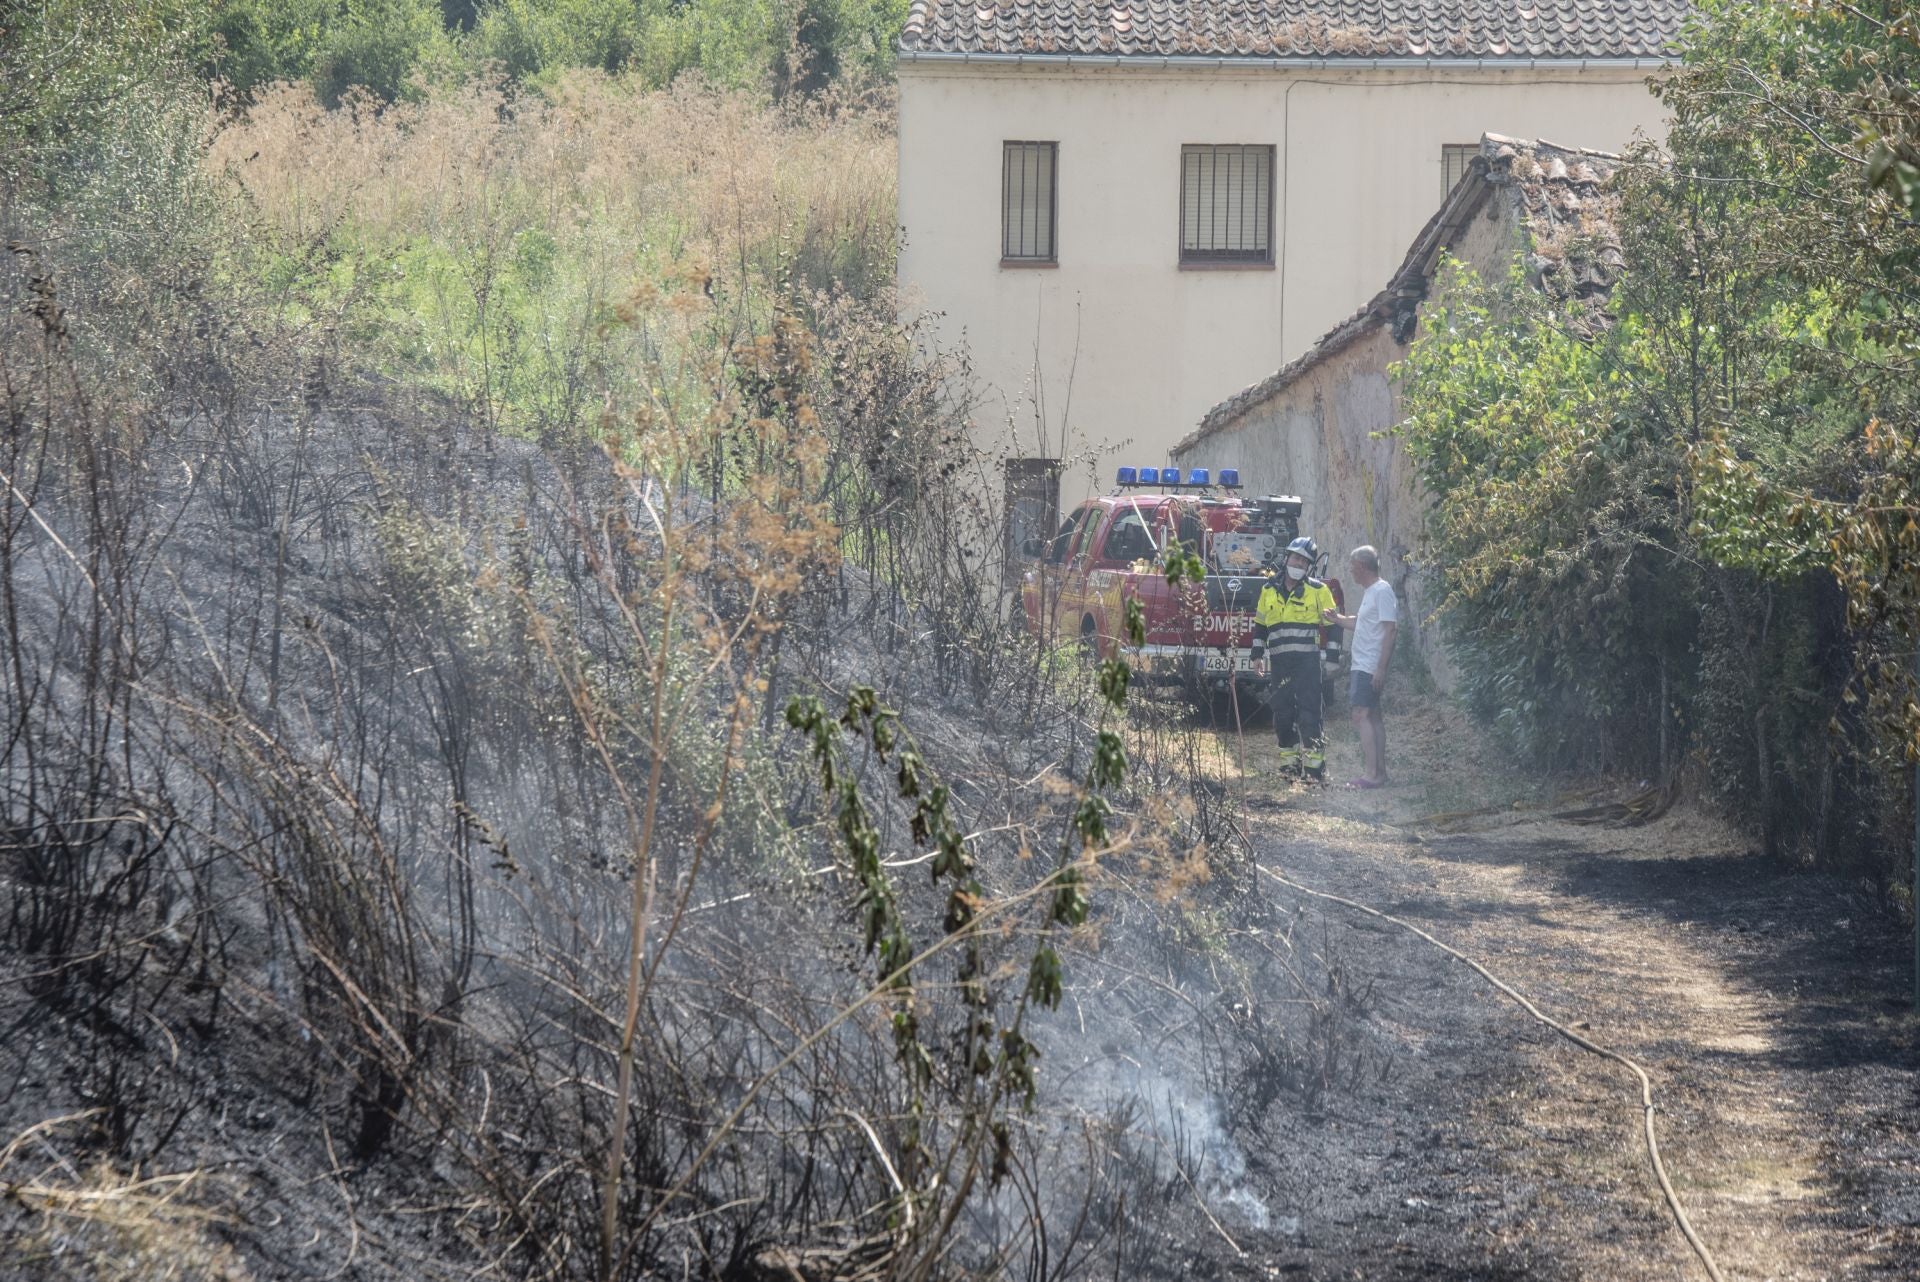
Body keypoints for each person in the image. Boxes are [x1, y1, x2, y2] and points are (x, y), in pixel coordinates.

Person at [1248, 536, 1338, 782]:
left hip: (1307, 664)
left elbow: (1334, 627)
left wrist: (1332, 659)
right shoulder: (1268, 589)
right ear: (1287, 557)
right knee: (1283, 715)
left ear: (1309, 567)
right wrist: (1256, 655)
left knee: (1310, 715)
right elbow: (1260, 626)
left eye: (1304, 561)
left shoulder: (1319, 590)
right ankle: (1289, 766)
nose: (1298, 564)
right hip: (1280, 663)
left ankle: (1314, 771)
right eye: (1296, 558)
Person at [1322, 545, 1396, 789]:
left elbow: (1390, 629)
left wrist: (1381, 668)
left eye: (1352, 566)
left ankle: (1372, 774)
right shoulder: (1371, 592)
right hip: (1363, 665)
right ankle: (1379, 773)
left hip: (1369, 665)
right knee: (1372, 715)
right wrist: (1337, 619)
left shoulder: (1382, 591)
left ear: (1362, 567)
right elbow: (1362, 623)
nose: (1350, 570)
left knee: (1361, 715)